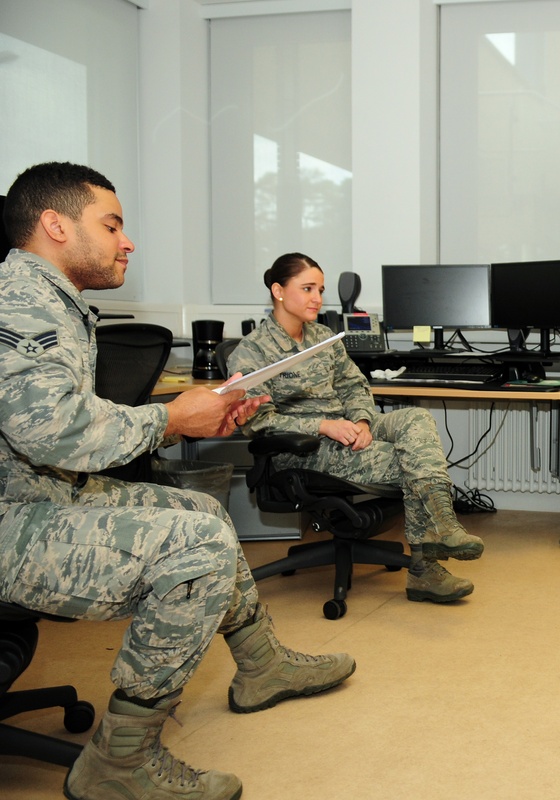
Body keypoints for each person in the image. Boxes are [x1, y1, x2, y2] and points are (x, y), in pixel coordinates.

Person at [0, 162, 356, 800]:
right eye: (111, 225)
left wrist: (192, 419)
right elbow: (49, 429)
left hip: (40, 492)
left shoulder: (52, 298)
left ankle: (261, 666)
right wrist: (169, 418)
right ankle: (120, 761)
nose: (127, 240)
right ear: (54, 225)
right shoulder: (18, 298)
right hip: (11, 515)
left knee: (202, 510)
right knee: (194, 547)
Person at [227, 253, 484, 604]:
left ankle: (443, 528)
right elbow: (260, 422)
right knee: (412, 461)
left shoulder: (323, 337)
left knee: (416, 419)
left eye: (320, 288)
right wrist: (324, 425)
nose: (318, 297)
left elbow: (354, 386)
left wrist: (362, 421)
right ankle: (426, 567)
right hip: (301, 449)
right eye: (307, 288)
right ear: (279, 291)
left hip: (347, 429)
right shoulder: (251, 352)